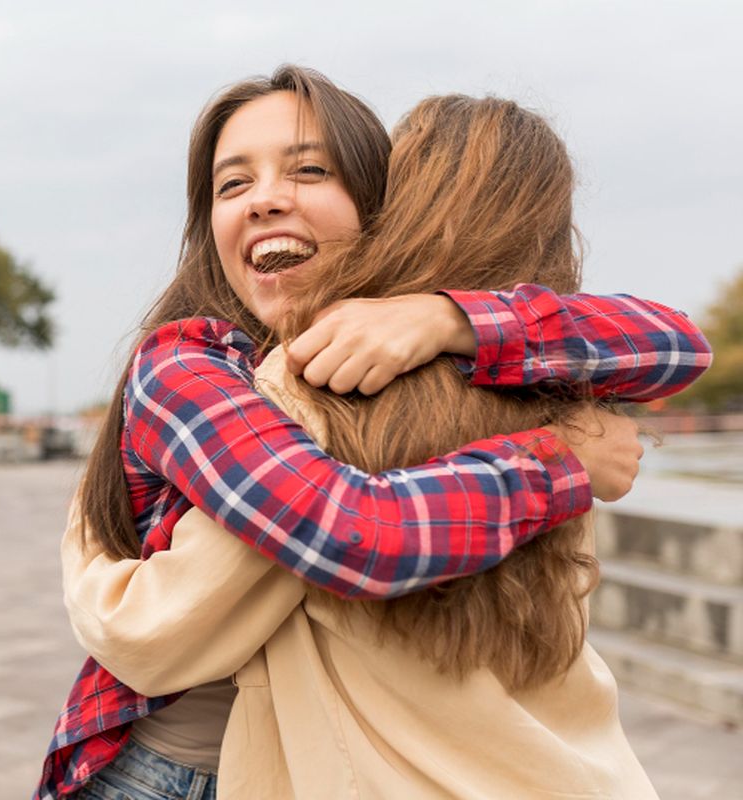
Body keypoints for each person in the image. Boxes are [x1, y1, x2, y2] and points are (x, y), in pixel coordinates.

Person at [37, 67, 710, 800]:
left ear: (378, 205)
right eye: (232, 186)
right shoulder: (190, 365)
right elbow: (354, 531)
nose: (264, 199)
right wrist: (564, 459)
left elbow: (678, 346)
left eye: (310, 170)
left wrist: (447, 317)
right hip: (167, 775)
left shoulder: (409, 358)